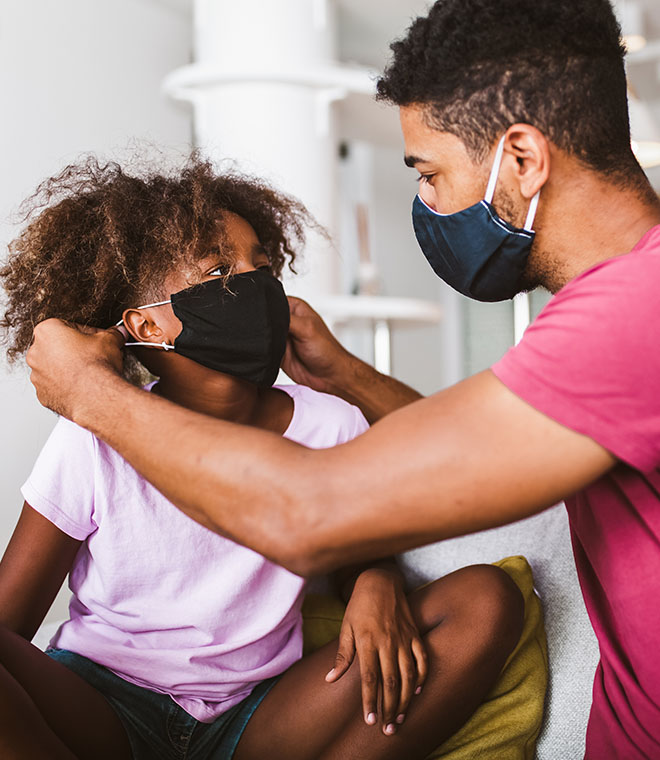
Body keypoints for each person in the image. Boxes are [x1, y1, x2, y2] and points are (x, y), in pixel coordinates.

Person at [19, 0, 660, 756]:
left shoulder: (631, 317)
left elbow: (304, 517)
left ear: (521, 158)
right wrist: (348, 374)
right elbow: (465, 458)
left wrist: (89, 392)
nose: (428, 203)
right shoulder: (613, 312)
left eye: (429, 172)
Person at [0, 158, 523, 760]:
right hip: (106, 703)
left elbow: (359, 527)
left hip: (257, 709)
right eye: (219, 270)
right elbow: (11, 622)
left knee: (485, 601)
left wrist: (375, 581)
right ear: (146, 324)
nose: (254, 285)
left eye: (262, 266)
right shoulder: (93, 430)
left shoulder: (330, 419)